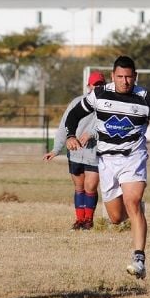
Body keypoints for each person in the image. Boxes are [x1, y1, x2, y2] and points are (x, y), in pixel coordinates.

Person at [63, 55, 150, 279]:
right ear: (113, 76)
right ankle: (135, 213)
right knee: (115, 217)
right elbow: (75, 114)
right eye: (120, 77)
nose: (125, 81)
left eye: (129, 77)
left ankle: (139, 259)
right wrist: (70, 135)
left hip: (133, 158)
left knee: (132, 203)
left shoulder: (147, 99)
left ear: (135, 77)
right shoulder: (99, 95)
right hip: (106, 161)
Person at [44, 71, 106, 230]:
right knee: (79, 188)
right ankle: (79, 220)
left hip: (95, 154)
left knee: (90, 186)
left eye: (100, 84)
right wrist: (56, 149)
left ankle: (88, 221)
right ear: (88, 86)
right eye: (95, 84)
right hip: (76, 153)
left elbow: (109, 127)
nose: (97, 87)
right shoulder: (77, 102)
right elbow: (64, 125)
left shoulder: (108, 105)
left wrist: (92, 134)